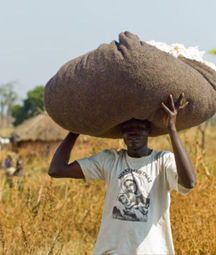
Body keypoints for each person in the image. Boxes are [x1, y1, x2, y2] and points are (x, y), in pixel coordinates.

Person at [48, 93, 196, 255]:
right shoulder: (110, 160)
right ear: (122, 136)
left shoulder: (162, 161)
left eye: (139, 128)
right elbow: (57, 169)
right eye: (128, 130)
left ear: (149, 132)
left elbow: (189, 182)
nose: (133, 133)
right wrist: (75, 130)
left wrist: (172, 129)